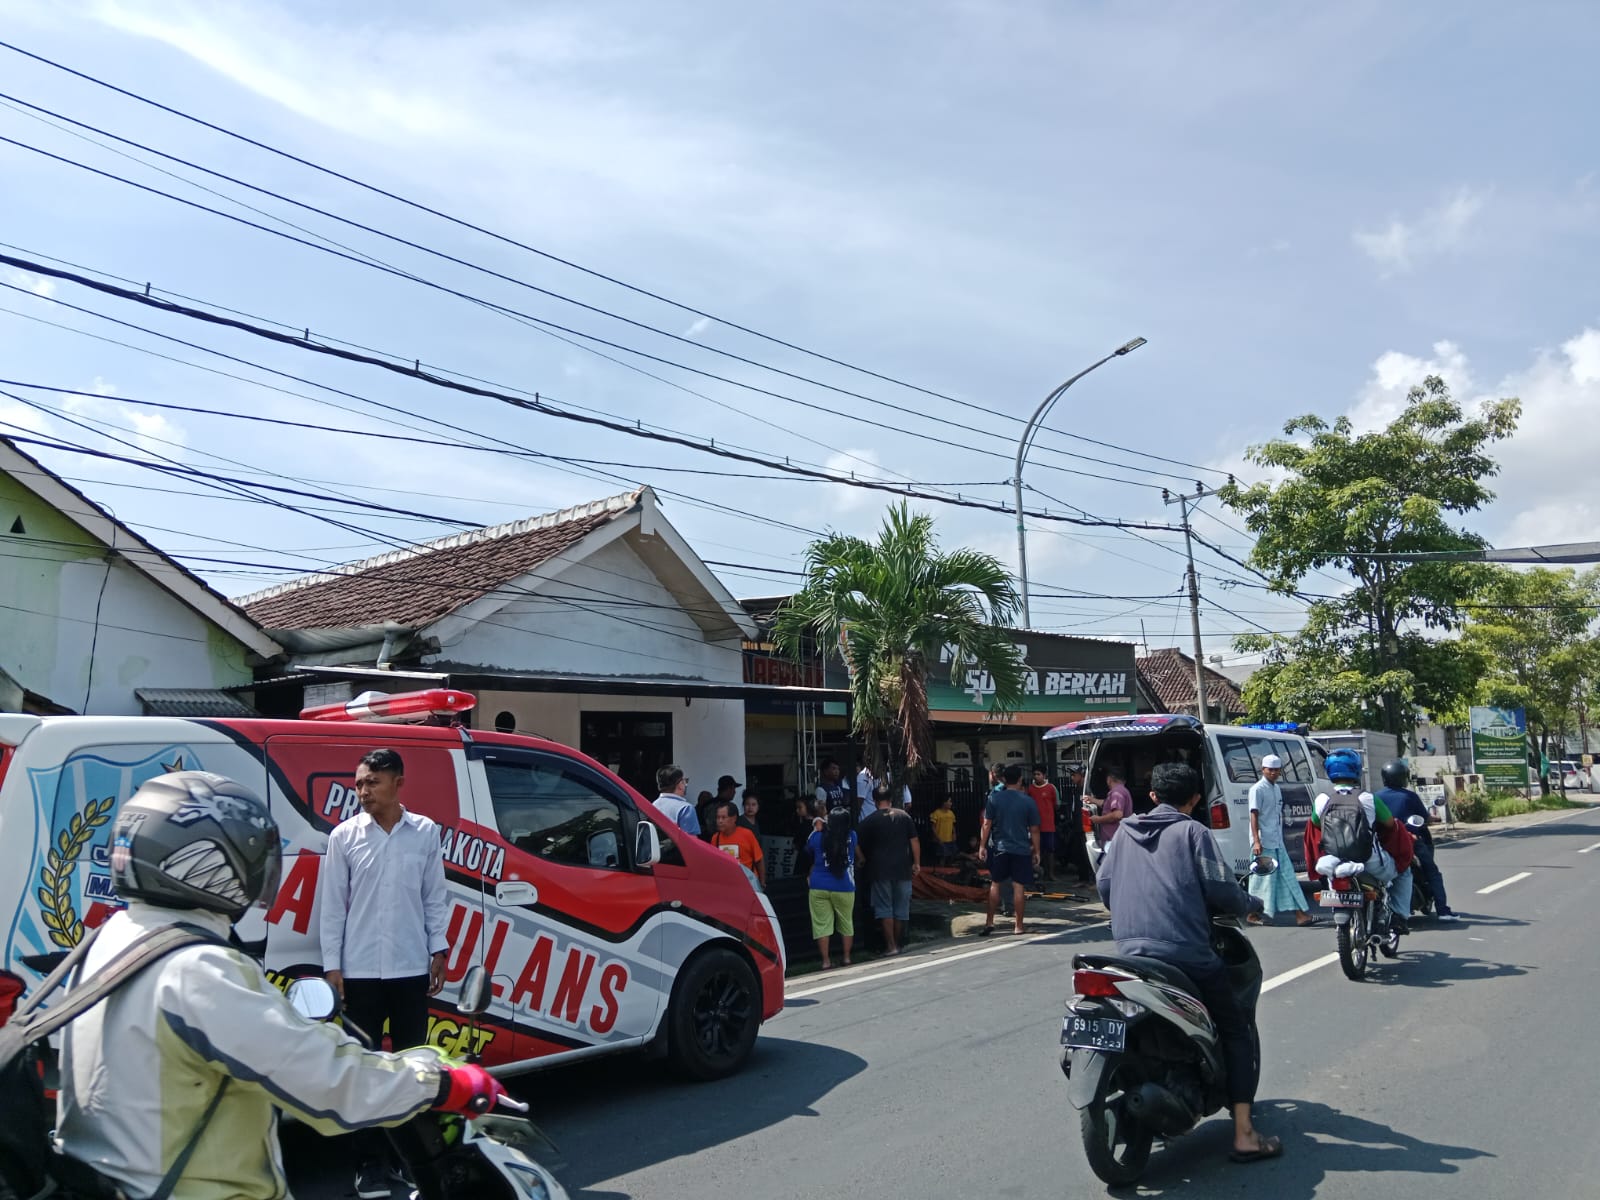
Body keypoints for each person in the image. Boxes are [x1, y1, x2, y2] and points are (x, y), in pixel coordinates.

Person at [57, 771, 506, 1200]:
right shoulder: (197, 970)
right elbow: (333, 1084)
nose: (258, 875)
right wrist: (445, 1083)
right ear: (207, 864)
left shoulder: (109, 941)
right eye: (251, 859)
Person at [1095, 762, 1279, 1163]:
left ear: (1153, 797)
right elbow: (1222, 892)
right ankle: (1245, 1135)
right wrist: (1251, 903)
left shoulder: (1123, 832)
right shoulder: (1194, 832)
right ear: (1195, 800)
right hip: (1186, 957)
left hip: (1128, 957)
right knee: (1235, 1029)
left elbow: (1105, 888)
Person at [320, 748, 451, 1198]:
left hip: (411, 967)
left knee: (413, 1069)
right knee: (365, 1070)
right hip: (359, 973)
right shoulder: (344, 837)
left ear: (398, 782)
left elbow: (434, 896)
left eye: (371, 783)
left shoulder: (425, 833)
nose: (362, 791)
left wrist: (439, 949)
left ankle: (409, 1161)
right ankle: (369, 1165)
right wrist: (333, 967)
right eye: (358, 783)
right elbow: (332, 907)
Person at [1311, 749, 1408, 935]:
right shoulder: (1368, 798)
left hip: (1335, 858)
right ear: (1356, 770)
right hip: (1369, 859)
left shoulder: (1322, 800)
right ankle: (1400, 916)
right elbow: (1390, 824)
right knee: (1404, 871)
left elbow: (1315, 823)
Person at [1376, 759, 1457, 920]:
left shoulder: (1375, 796)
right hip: (1409, 841)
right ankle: (1443, 911)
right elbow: (1424, 817)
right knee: (1432, 872)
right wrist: (1433, 818)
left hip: (1382, 843)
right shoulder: (1409, 796)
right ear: (1403, 778)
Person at [1247, 754, 1316, 928]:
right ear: (1263, 770)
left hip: (1276, 840)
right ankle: (1252, 914)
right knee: (1263, 880)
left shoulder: (1276, 788)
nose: (1273, 773)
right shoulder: (1257, 789)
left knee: (1287, 877)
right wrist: (1256, 841)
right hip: (1263, 843)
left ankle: (1300, 915)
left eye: (1276, 770)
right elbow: (1253, 815)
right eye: (1270, 770)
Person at [857, 787, 921, 955]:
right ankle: (899, 944)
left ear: (875, 800)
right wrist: (917, 863)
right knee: (901, 909)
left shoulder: (869, 820)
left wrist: (862, 858)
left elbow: (854, 840)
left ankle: (891, 946)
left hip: (879, 870)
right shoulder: (904, 816)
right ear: (891, 799)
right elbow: (914, 841)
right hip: (903, 868)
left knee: (885, 908)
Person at [978, 764, 1040, 936]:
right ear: (1020, 779)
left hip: (1000, 848)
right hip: (1021, 849)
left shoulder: (994, 798)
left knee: (995, 883)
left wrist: (982, 845)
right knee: (1018, 886)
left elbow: (986, 823)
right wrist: (1037, 851)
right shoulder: (1028, 800)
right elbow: (1035, 829)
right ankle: (1018, 926)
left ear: (1004, 779)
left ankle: (989, 922)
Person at [807, 808, 858, 968]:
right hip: (844, 885)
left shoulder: (816, 837)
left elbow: (806, 851)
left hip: (818, 885)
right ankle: (847, 958)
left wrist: (817, 825)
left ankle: (825, 961)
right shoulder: (852, 836)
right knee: (846, 922)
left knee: (822, 924)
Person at [711, 800, 765, 889]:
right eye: (718, 817)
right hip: (726, 886)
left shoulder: (747, 834)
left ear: (734, 818)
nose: (720, 821)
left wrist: (762, 882)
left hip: (747, 884)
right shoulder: (715, 838)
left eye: (724, 817)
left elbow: (759, 859)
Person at [1090, 768, 1132, 856]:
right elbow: (1106, 804)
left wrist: (1098, 819)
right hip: (1116, 840)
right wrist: (1092, 800)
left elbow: (1117, 815)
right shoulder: (1121, 791)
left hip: (1113, 841)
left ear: (1109, 779)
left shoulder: (1117, 792)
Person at [1028, 767, 1059, 883]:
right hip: (1035, 825)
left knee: (1050, 850)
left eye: (1038, 774)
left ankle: (1051, 874)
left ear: (1044, 775)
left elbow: (1057, 805)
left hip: (1048, 825)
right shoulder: (1030, 789)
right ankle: (1038, 873)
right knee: (1036, 850)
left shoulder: (1051, 788)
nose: (1036, 776)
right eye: (1034, 774)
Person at [649, 764, 700, 836]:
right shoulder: (686, 809)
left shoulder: (652, 806)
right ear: (680, 784)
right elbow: (692, 843)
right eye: (684, 781)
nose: (686, 784)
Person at [930, 795, 958, 866]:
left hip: (949, 839)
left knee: (952, 855)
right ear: (944, 803)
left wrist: (954, 833)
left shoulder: (951, 813)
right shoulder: (936, 813)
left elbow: (953, 825)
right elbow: (932, 827)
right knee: (942, 857)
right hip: (940, 840)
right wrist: (937, 838)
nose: (951, 803)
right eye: (949, 801)